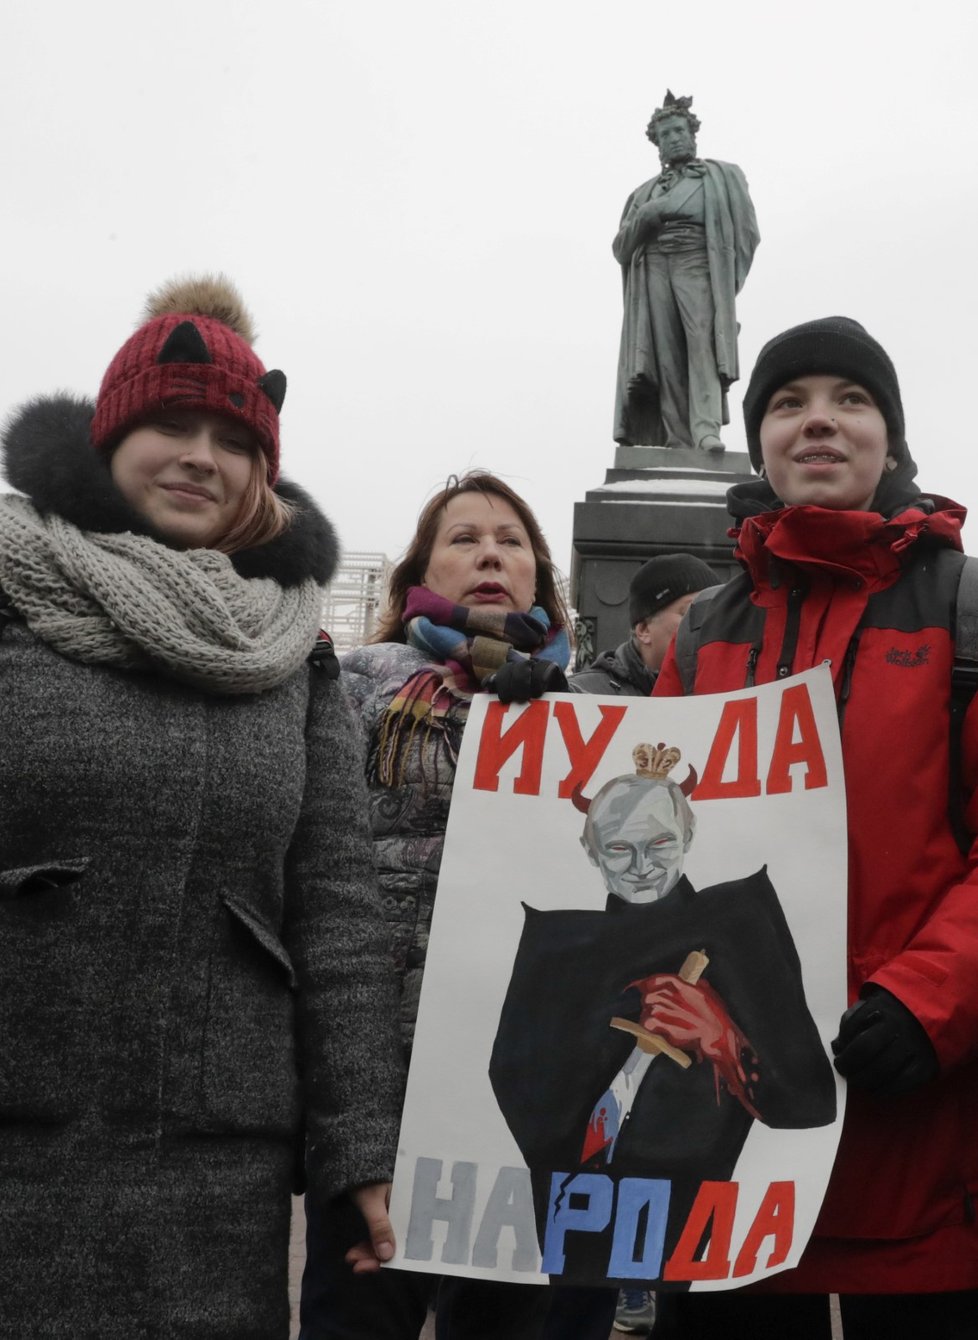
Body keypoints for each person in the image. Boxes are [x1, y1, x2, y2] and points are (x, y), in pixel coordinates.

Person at [0, 276, 404, 1340]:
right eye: (168, 424)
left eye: (233, 438)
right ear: (107, 437)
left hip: (215, 1165)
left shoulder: (293, 656)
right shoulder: (9, 597)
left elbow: (340, 923)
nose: (198, 455)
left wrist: (360, 1149)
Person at [653, 316, 978, 1339]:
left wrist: (928, 1003)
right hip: (727, 1153)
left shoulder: (965, 610)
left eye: (852, 399)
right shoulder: (705, 629)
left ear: (890, 436)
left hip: (919, 1138)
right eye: (789, 403)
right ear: (759, 442)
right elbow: (648, 830)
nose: (819, 422)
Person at [300, 471, 581, 1339]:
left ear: (539, 572)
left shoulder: (593, 708)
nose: (491, 552)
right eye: (463, 538)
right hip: (389, 1080)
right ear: (421, 569)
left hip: (529, 1084)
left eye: (511, 539)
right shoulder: (356, 683)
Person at [490, 746, 834, 1291]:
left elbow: (809, 1100)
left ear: (688, 841)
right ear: (592, 852)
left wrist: (722, 1036)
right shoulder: (558, 946)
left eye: (661, 844)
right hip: (578, 1215)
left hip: (714, 1220)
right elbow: (513, 1077)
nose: (643, 866)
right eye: (620, 848)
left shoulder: (740, 923)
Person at [613, 90, 759, 453]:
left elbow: (747, 234)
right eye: (666, 135)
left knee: (702, 343)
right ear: (657, 145)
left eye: (680, 130)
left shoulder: (722, 176)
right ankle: (677, 438)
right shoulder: (642, 194)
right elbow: (620, 249)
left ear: (692, 134)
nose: (674, 138)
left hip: (698, 262)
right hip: (654, 267)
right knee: (665, 355)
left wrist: (726, 284)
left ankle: (706, 429)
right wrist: (646, 218)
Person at [570, 553, 718, 696]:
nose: (706, 622)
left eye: (715, 612)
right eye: (688, 612)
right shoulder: (582, 695)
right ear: (644, 630)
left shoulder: (731, 691)